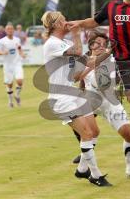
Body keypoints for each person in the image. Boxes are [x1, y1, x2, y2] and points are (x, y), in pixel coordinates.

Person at [41, 11, 112, 187]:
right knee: (86, 134)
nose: (67, 21)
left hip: (72, 93)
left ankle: (81, 170)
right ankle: (95, 175)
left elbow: (85, 65)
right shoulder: (52, 44)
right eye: (63, 19)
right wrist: (76, 32)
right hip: (61, 98)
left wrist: (112, 51)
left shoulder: (63, 43)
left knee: (94, 132)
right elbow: (79, 50)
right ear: (56, 24)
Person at [73, 32, 130, 180]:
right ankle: (84, 169)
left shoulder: (114, 59)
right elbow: (78, 78)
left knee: (128, 134)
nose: (101, 46)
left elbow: (122, 75)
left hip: (110, 101)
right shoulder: (85, 60)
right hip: (90, 100)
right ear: (91, 45)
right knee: (90, 134)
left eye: (104, 43)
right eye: (97, 43)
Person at [0, 24, 25, 107]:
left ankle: (17, 96)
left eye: (11, 29)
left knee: (20, 81)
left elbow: (19, 48)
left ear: (13, 30)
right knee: (10, 84)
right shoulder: (2, 41)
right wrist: (3, 52)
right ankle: (10, 101)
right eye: (8, 29)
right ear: (5, 31)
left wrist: (22, 54)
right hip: (7, 65)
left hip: (17, 63)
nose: (10, 30)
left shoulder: (17, 39)